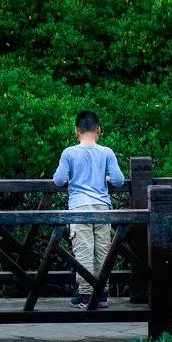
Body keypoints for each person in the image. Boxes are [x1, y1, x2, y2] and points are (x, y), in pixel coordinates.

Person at [53, 110, 125, 309]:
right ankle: (101, 294)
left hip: (79, 206)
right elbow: (119, 181)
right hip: (102, 207)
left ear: (76, 131)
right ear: (98, 130)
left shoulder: (69, 153)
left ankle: (86, 294)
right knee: (103, 249)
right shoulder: (106, 152)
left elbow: (58, 180)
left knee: (84, 249)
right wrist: (107, 179)